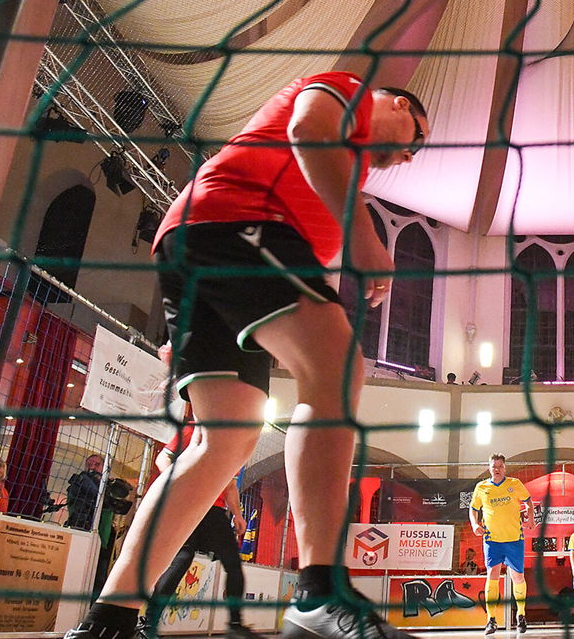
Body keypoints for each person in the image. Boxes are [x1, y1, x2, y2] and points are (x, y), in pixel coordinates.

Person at [63, 71, 428, 639]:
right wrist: (361, 232)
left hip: (201, 244)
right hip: (237, 224)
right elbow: (309, 128)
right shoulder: (348, 93)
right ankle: (318, 593)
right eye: (415, 137)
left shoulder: (343, 174)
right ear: (398, 104)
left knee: (223, 441)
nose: (407, 155)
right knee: (336, 370)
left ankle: (108, 619)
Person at [143, 424, 263, 639]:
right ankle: (148, 624)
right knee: (182, 558)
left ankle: (235, 624)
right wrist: (178, 486)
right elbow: (163, 458)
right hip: (187, 503)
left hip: (213, 509)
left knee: (233, 563)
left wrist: (237, 513)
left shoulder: (235, 443)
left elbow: (230, 484)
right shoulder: (196, 429)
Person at [471, 453, 536, 635]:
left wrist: (530, 518)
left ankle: (521, 615)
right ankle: (491, 620)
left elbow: (529, 502)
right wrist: (475, 524)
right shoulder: (481, 487)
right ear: (489, 468)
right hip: (492, 540)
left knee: (518, 577)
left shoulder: (514, 484)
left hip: (514, 539)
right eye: (494, 466)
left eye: (500, 466)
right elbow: (473, 509)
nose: (497, 469)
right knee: (492, 575)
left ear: (505, 468)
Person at [64, 454, 105, 530]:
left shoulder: (107, 487)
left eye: (97, 464)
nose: (92, 467)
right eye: (89, 465)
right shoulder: (77, 485)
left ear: (104, 467)